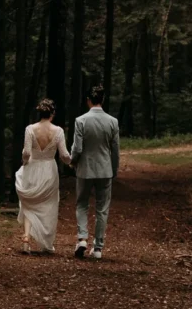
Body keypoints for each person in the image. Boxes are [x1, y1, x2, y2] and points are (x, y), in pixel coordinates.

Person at [15, 98, 71, 254]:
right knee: (49, 206)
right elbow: (64, 155)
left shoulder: (30, 129)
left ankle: (26, 238)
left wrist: (25, 162)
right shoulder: (58, 131)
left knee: (28, 204)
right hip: (49, 170)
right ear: (52, 114)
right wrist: (72, 162)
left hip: (32, 167)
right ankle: (46, 243)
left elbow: (26, 152)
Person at [71, 84, 120, 261]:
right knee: (102, 209)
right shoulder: (112, 122)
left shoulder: (81, 121)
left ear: (88, 100)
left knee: (82, 204)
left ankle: (82, 238)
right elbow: (115, 150)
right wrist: (114, 169)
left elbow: (77, 148)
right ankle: (98, 247)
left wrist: (73, 161)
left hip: (84, 168)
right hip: (105, 169)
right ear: (103, 100)